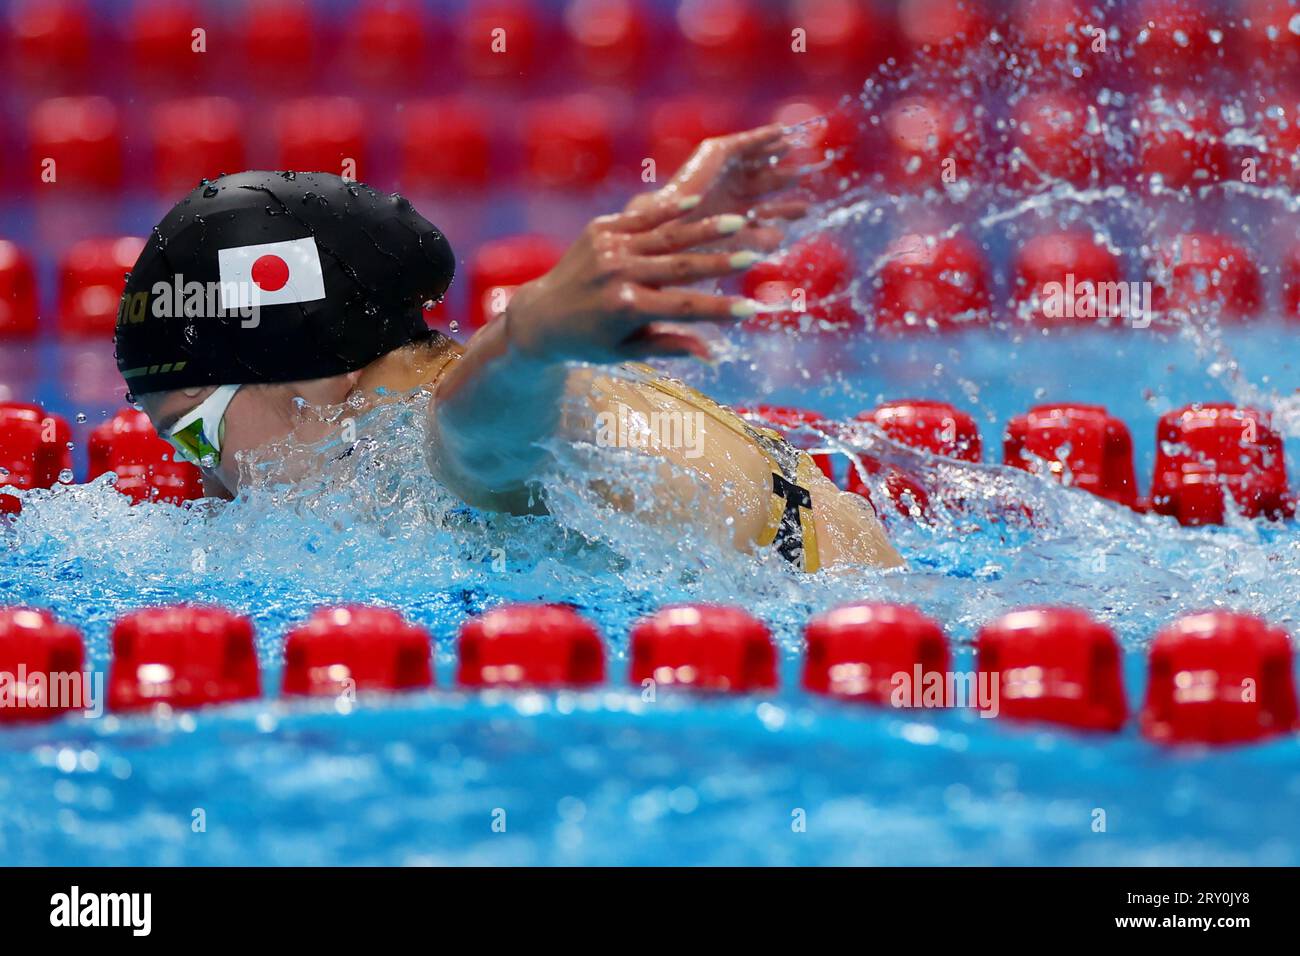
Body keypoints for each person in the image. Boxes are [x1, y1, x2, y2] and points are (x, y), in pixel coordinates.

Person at [114, 125, 902, 571]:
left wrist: (532, 333)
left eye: (195, 428)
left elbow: (482, 436)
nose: (201, 481)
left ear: (317, 377)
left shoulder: (449, 443)